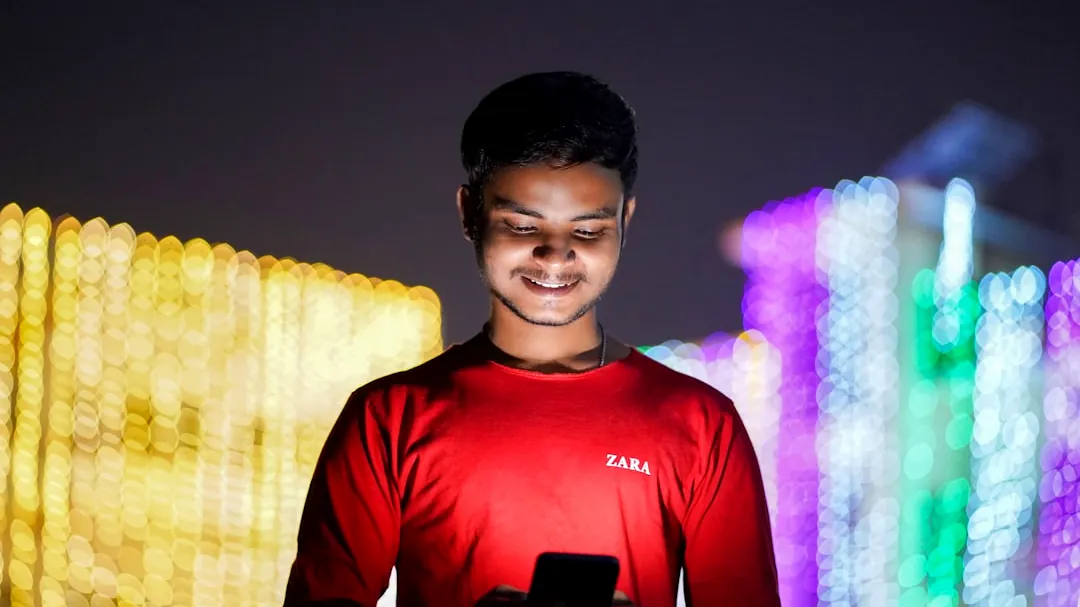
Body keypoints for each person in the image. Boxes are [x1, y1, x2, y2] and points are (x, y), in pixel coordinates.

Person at [283, 71, 780, 607]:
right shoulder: (388, 418)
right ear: (470, 214)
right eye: (522, 226)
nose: (554, 255)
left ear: (624, 221)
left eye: (587, 231)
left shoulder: (701, 425)